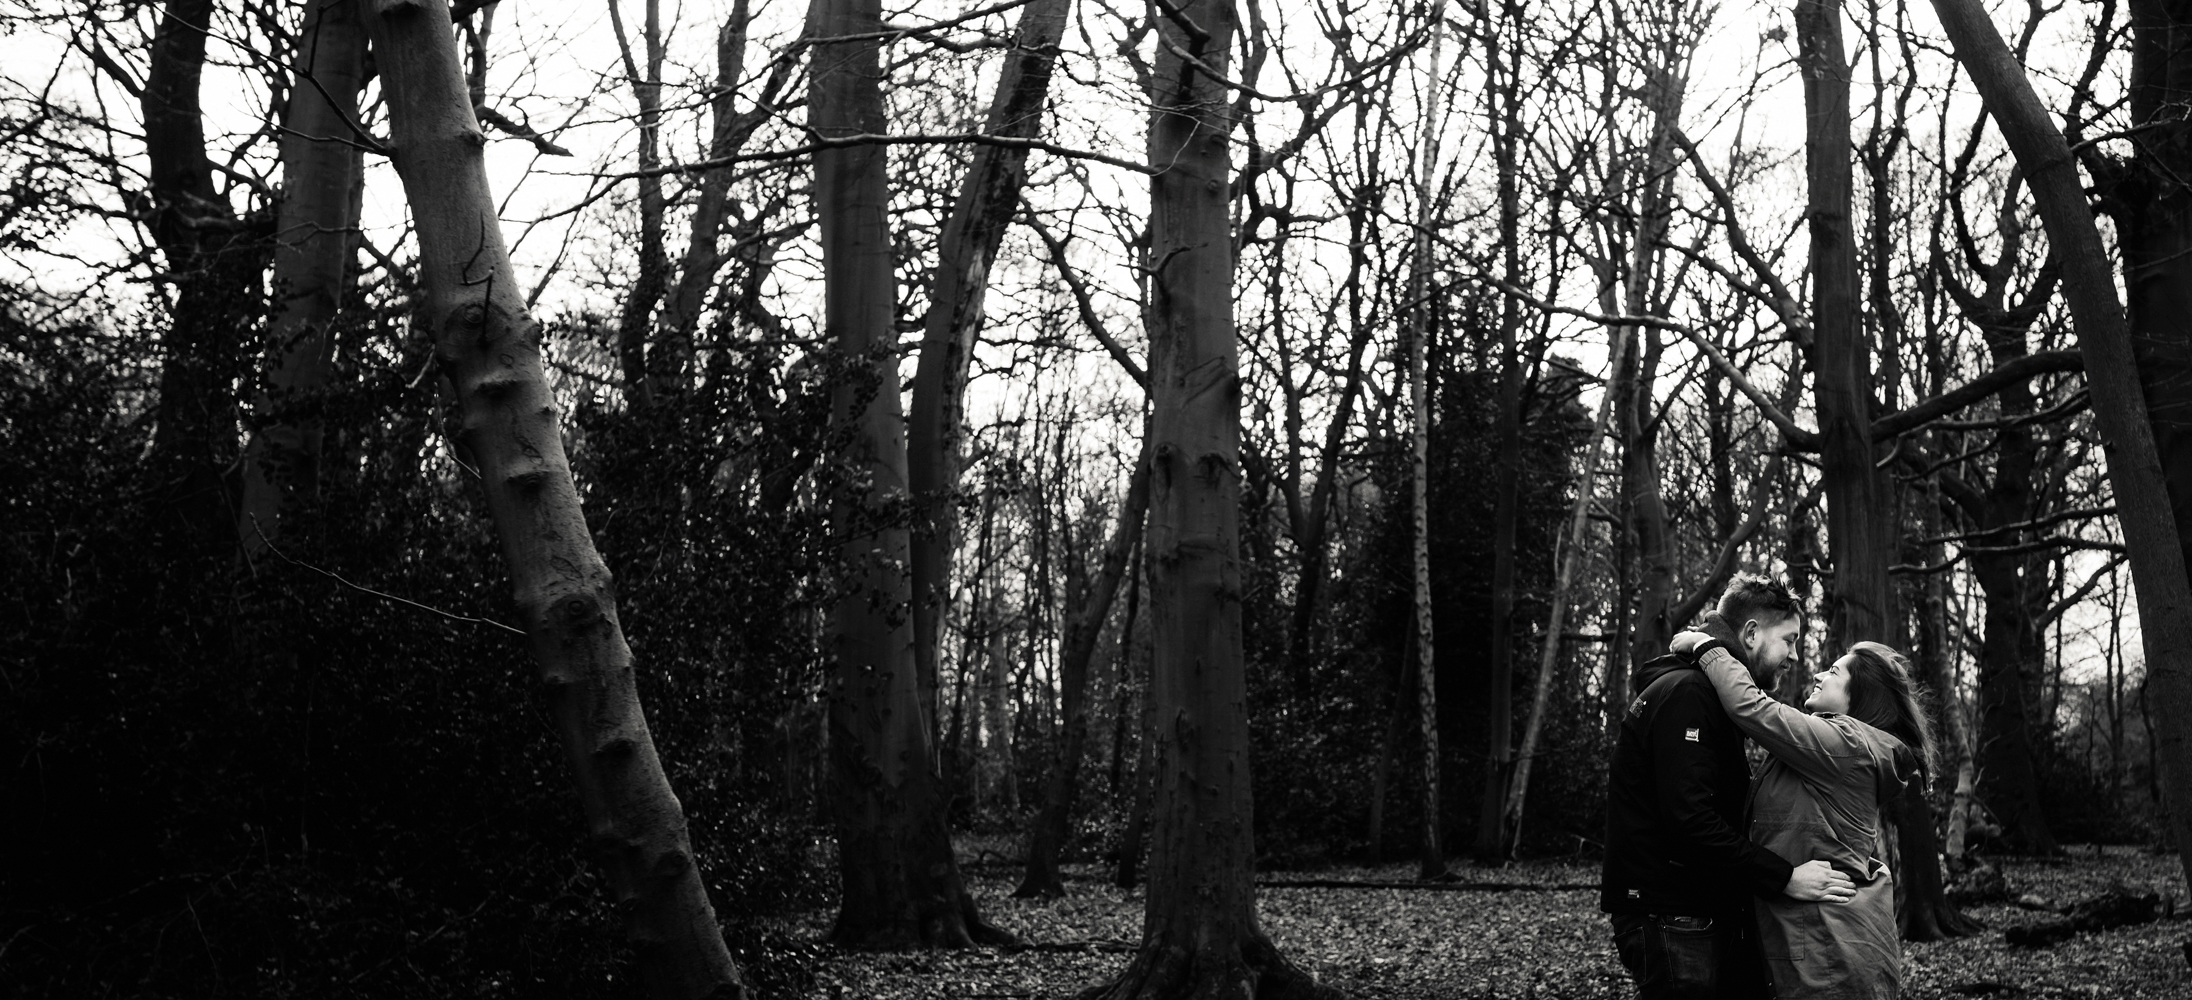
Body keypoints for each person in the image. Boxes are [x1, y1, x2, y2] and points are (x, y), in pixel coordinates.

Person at [1602, 575, 1855, 999]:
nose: (1794, 655)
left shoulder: (1704, 693)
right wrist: (1784, 877)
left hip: (1687, 912)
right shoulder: (1690, 694)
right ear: (1751, 633)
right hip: (1673, 915)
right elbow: (1690, 821)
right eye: (1789, 640)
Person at [1669, 624, 1936, 1000]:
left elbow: (1754, 709)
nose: (1817, 673)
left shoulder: (1847, 745)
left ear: (1861, 695)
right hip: (1823, 942)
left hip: (1829, 951)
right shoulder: (1840, 749)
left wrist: (1707, 647)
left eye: (1834, 671)